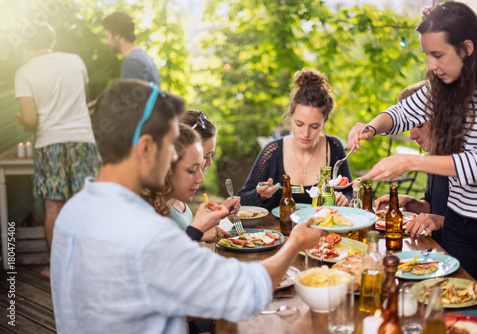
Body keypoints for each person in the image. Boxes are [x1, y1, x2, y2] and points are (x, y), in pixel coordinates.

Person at [50, 80, 324, 333]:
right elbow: (243, 292)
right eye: (171, 144)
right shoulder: (149, 235)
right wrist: (295, 243)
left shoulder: (72, 211)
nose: (174, 156)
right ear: (145, 148)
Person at [347, 2, 477, 301]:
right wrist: (372, 127)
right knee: (452, 306)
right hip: (456, 222)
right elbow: (404, 111)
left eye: (437, 55)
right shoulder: (447, 83)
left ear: (467, 48)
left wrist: (410, 162)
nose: (430, 65)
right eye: (427, 55)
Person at [14, 22, 99, 277]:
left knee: (53, 208)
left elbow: (30, 119)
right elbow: (82, 102)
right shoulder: (75, 61)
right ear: (51, 41)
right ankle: (88, 264)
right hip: (83, 141)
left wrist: (21, 118)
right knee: (85, 204)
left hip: (50, 143)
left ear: (26, 44)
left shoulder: (24, 72)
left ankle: (58, 267)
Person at [238, 68, 352, 210]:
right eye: (299, 124)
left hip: (322, 230)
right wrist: (260, 195)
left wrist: (344, 199)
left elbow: (350, 192)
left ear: (325, 121)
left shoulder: (334, 147)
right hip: (278, 231)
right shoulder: (273, 151)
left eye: (315, 126)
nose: (305, 133)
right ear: (291, 116)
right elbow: (242, 198)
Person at [374, 81, 447, 246]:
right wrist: (410, 202)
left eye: (419, 125)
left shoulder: (463, 160)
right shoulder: (434, 155)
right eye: (410, 126)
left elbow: (476, 225)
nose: (412, 135)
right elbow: (432, 207)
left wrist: (442, 221)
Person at [142, 124, 231, 243]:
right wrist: (197, 232)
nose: (201, 179)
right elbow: (164, 256)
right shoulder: (144, 214)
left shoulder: (166, 202)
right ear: (166, 170)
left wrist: (201, 227)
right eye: (191, 170)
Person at [101, 11, 161, 86]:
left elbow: (134, 97)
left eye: (107, 37)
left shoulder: (132, 61)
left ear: (117, 35)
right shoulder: (144, 57)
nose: (107, 42)